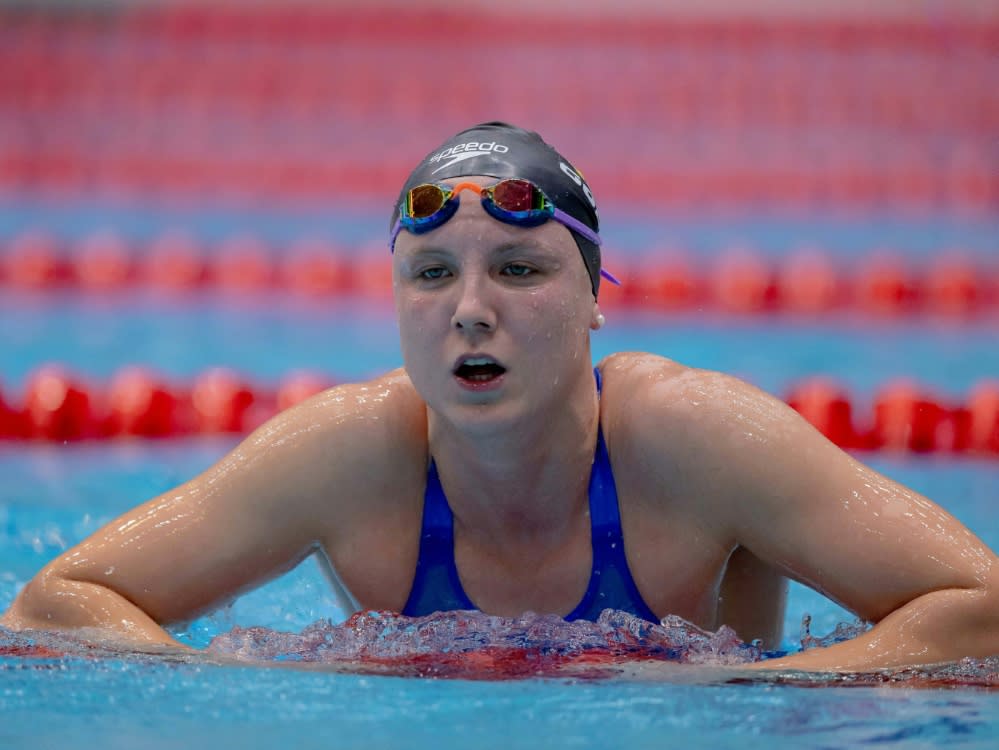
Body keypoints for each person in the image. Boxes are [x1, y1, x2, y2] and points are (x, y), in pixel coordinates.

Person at [3, 122, 998, 672]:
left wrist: (747, 689)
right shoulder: (352, 454)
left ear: (597, 303)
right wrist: (240, 681)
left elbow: (982, 609)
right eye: (431, 275)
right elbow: (57, 602)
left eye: (519, 272)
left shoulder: (692, 437)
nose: (469, 312)